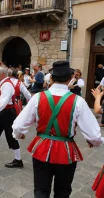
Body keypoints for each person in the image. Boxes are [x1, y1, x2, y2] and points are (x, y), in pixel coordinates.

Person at [13, 61, 104, 197]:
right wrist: (94, 141)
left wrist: (19, 135)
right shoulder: (78, 101)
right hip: (66, 152)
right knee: (62, 192)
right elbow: (95, 136)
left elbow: (18, 126)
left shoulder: (37, 97)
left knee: (41, 190)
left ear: (50, 78)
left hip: (41, 149)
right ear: (69, 79)